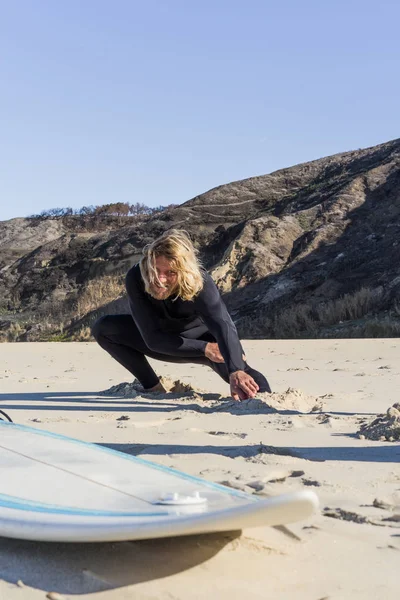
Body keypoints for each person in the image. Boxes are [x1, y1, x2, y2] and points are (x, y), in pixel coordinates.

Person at [92, 229, 271, 400]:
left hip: (206, 339)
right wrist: (204, 349)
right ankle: (153, 388)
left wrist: (235, 369)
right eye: (155, 270)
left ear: (184, 271)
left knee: (240, 373)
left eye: (170, 273)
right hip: (163, 342)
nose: (160, 279)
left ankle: (264, 399)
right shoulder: (136, 277)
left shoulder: (199, 282)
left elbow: (222, 324)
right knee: (104, 328)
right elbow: (152, 338)